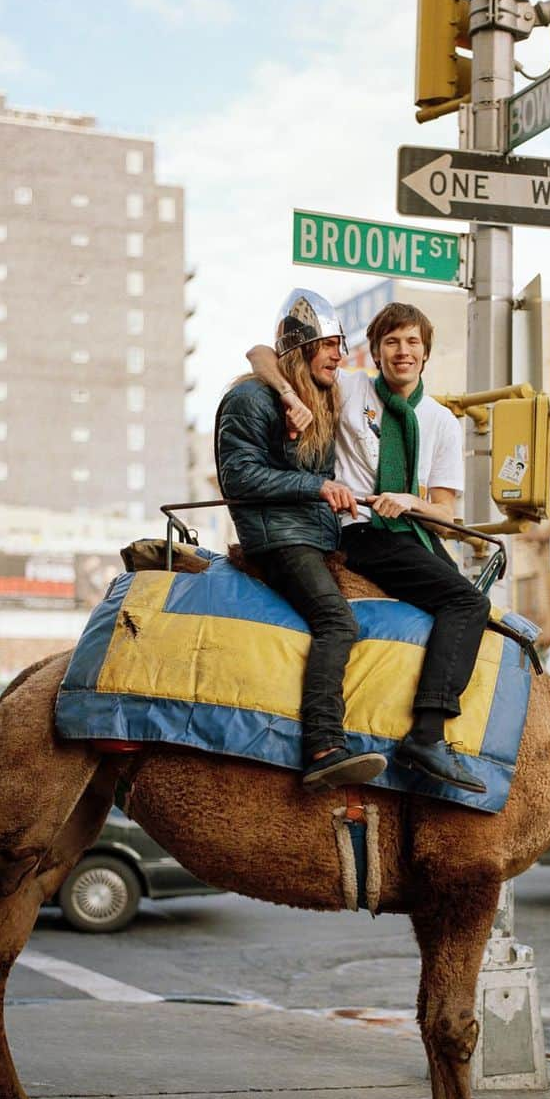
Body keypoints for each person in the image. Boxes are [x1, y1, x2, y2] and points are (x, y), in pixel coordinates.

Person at [247, 298, 490, 794]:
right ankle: (427, 734)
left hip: (409, 531)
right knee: (467, 601)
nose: (403, 352)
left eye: (412, 343)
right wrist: (288, 397)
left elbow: (444, 515)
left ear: (426, 354)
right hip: (355, 529)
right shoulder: (349, 385)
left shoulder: (442, 421)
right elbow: (259, 354)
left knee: (473, 605)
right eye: (392, 343)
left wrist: (409, 500)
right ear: (375, 354)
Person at [215, 290, 387, 790]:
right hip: (280, 539)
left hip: (318, 536)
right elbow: (239, 476)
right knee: (337, 620)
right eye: (329, 344)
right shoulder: (250, 398)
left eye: (341, 344)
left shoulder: (321, 396)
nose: (339, 354)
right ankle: (323, 745)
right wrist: (318, 485)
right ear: (303, 349)